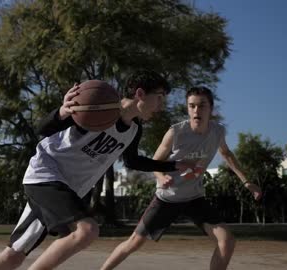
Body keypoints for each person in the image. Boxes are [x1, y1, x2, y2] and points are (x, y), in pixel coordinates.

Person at [0, 70, 192, 270]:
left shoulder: (134, 130)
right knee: (86, 230)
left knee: (10, 258)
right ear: (141, 94)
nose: (161, 106)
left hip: (67, 190)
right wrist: (62, 112)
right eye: (160, 97)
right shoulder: (96, 106)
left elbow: (133, 162)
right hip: (45, 175)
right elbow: (43, 129)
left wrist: (173, 166)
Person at [100, 86, 262, 270]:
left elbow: (226, 154)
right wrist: (161, 177)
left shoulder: (217, 132)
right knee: (134, 242)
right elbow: (154, 161)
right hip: (167, 197)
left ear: (211, 108)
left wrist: (247, 182)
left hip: (194, 198)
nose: (196, 110)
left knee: (227, 241)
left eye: (202, 106)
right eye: (191, 106)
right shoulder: (176, 132)